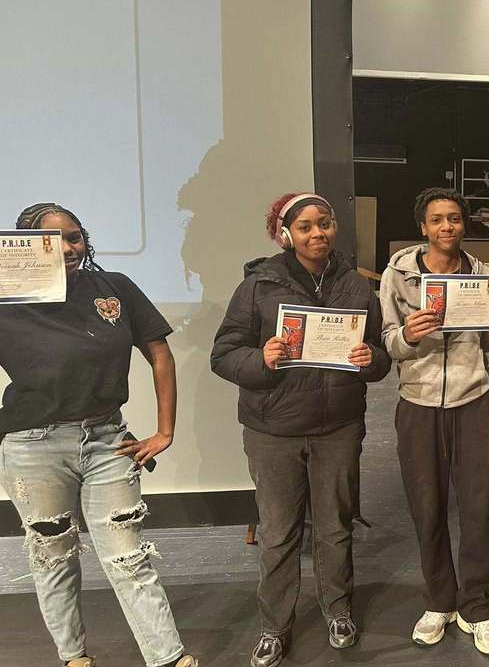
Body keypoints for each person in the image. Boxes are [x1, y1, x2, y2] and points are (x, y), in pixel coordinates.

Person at [0, 203, 198, 667]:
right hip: (34, 447)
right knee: (53, 558)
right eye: (55, 240)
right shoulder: (5, 296)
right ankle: (73, 657)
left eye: (75, 236)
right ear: (26, 245)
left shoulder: (114, 287)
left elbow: (160, 354)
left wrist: (165, 430)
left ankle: (168, 658)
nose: (70, 248)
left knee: (129, 560)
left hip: (108, 440)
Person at [210, 192, 391, 667]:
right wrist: (260, 359)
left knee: (334, 527)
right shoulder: (258, 286)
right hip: (274, 430)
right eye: (306, 226)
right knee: (277, 533)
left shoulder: (355, 284)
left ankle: (337, 610)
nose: (318, 234)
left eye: (325, 224)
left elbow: (378, 353)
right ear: (285, 233)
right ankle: (274, 627)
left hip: (337, 427)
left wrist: (373, 361)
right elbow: (223, 353)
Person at [378, 187, 489, 656]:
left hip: (473, 404)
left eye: (454, 218)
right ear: (423, 227)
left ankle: (477, 607)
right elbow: (387, 341)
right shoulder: (398, 275)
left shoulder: (484, 278)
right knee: (426, 507)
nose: (446, 227)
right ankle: (438, 601)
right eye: (437, 220)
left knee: (479, 509)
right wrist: (408, 337)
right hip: (418, 403)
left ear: (463, 224)